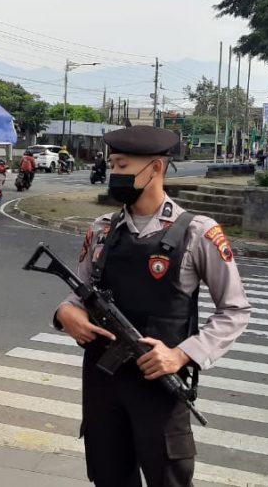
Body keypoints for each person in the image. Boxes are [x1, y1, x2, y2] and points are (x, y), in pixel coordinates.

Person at [52, 126, 251, 487]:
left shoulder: (197, 232)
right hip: (103, 383)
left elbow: (234, 310)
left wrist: (182, 355)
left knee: (168, 479)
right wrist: (66, 314)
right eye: (111, 164)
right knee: (107, 475)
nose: (114, 173)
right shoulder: (101, 229)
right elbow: (78, 293)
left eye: (122, 165)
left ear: (155, 168)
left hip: (159, 387)